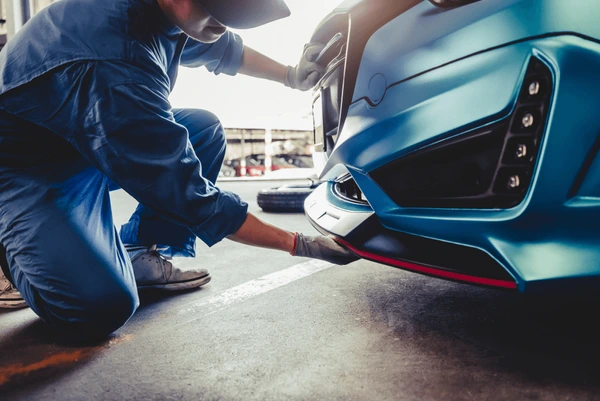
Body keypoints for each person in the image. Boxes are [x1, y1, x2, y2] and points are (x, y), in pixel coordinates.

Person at [0, 0, 358, 338]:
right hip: (26, 171)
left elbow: (224, 49)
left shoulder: (168, 14)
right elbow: (190, 197)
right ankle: (11, 250)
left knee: (202, 129)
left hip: (83, 138)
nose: (223, 22)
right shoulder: (115, 59)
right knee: (99, 308)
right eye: (213, 11)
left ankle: (139, 252)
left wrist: (291, 75)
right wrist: (299, 244)